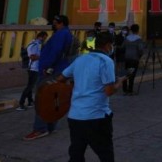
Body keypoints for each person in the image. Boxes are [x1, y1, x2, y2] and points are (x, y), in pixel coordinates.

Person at [57, 32, 126, 162]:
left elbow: (61, 78)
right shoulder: (106, 61)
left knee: (76, 155)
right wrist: (119, 83)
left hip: (75, 116)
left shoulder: (80, 58)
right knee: (106, 155)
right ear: (107, 45)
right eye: (112, 45)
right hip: (96, 117)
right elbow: (109, 91)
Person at [23, 15, 73, 140]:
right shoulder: (66, 34)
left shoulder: (61, 34)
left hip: (51, 71)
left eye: (55, 23)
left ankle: (40, 128)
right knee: (54, 98)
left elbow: (55, 52)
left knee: (42, 99)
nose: (53, 25)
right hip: (60, 69)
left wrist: (47, 67)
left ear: (61, 23)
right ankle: (51, 126)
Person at [17, 31, 48, 111]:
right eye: (44, 38)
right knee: (30, 86)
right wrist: (42, 57)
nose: (44, 40)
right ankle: (21, 103)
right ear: (40, 36)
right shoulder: (34, 45)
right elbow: (32, 57)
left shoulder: (38, 44)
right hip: (33, 68)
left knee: (30, 85)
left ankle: (30, 101)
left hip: (35, 68)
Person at [121, 24, 145, 95]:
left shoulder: (127, 38)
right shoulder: (139, 39)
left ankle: (125, 89)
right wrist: (140, 56)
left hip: (127, 57)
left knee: (126, 74)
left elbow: (122, 47)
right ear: (138, 30)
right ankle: (130, 90)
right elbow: (140, 49)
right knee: (132, 74)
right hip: (134, 58)